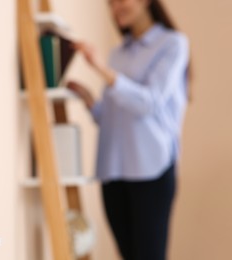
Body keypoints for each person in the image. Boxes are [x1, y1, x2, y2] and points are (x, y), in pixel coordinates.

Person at [67, 0, 190, 259]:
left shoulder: (173, 44)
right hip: (113, 171)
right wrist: (90, 101)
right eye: (110, 4)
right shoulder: (118, 53)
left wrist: (101, 68)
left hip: (151, 170)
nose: (115, 9)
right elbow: (114, 119)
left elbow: (149, 102)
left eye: (120, 1)